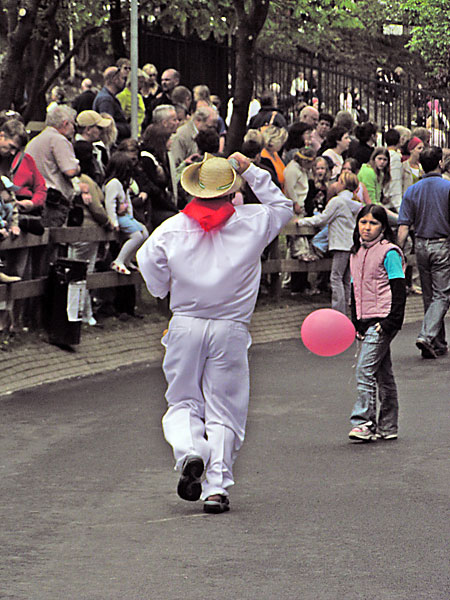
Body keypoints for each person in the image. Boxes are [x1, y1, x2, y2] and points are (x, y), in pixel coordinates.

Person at [136, 153, 293, 513]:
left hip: (186, 321)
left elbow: (148, 262)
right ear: (231, 189)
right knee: (225, 408)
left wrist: (164, 288)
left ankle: (191, 450)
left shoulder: (172, 228)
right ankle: (216, 486)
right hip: (230, 326)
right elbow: (282, 204)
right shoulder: (253, 222)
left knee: (183, 400)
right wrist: (250, 169)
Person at [348, 204, 406, 442]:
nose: (367, 228)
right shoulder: (356, 252)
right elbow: (355, 290)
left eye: (373, 223)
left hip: (383, 320)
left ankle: (364, 422)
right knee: (383, 374)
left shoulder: (389, 252)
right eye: (363, 222)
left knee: (364, 369)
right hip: (366, 319)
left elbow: (398, 287)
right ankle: (388, 425)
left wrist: (392, 321)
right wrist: (357, 322)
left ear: (383, 227)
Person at [397, 146, 450, 359]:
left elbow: (403, 226)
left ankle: (438, 342)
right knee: (443, 294)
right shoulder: (447, 187)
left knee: (430, 295)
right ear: (440, 164)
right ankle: (427, 335)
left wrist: (397, 249)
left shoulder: (412, 190)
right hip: (441, 244)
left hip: (420, 244)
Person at [296, 171, 362, 314]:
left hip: (340, 244)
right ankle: (346, 309)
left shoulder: (337, 201)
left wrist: (302, 221)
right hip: (352, 244)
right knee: (345, 279)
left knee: (336, 277)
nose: (335, 184)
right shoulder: (356, 204)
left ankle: (338, 311)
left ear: (343, 184)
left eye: (338, 181)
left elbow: (322, 219)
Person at [104, 152, 149, 276]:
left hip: (126, 216)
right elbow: (110, 203)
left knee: (144, 233)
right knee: (136, 236)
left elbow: (127, 201)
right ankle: (119, 260)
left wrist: (131, 217)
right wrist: (114, 221)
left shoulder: (122, 184)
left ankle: (127, 259)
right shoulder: (113, 184)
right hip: (119, 217)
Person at [93, 66, 130, 142]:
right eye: (123, 78)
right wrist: (126, 128)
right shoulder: (106, 100)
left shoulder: (108, 97)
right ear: (114, 79)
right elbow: (107, 127)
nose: (124, 82)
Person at [383, 128, 403, 212]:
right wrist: (399, 206)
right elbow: (395, 179)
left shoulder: (383, 154)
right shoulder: (395, 157)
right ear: (399, 141)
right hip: (391, 203)